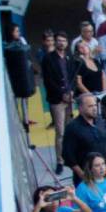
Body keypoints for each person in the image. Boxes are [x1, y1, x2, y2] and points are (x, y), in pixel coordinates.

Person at [43, 31, 73, 175]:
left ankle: (68, 155)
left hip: (69, 98)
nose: (61, 43)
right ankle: (60, 160)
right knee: (60, 131)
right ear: (55, 42)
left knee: (69, 129)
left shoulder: (68, 57)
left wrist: (71, 92)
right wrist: (62, 95)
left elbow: (72, 77)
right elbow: (48, 81)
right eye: (59, 40)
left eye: (64, 40)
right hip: (57, 100)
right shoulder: (48, 59)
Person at [62, 93, 106, 187]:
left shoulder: (100, 121)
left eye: (95, 105)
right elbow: (68, 157)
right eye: (90, 106)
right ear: (80, 108)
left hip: (104, 175)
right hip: (86, 178)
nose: (94, 108)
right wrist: (83, 176)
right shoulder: (72, 128)